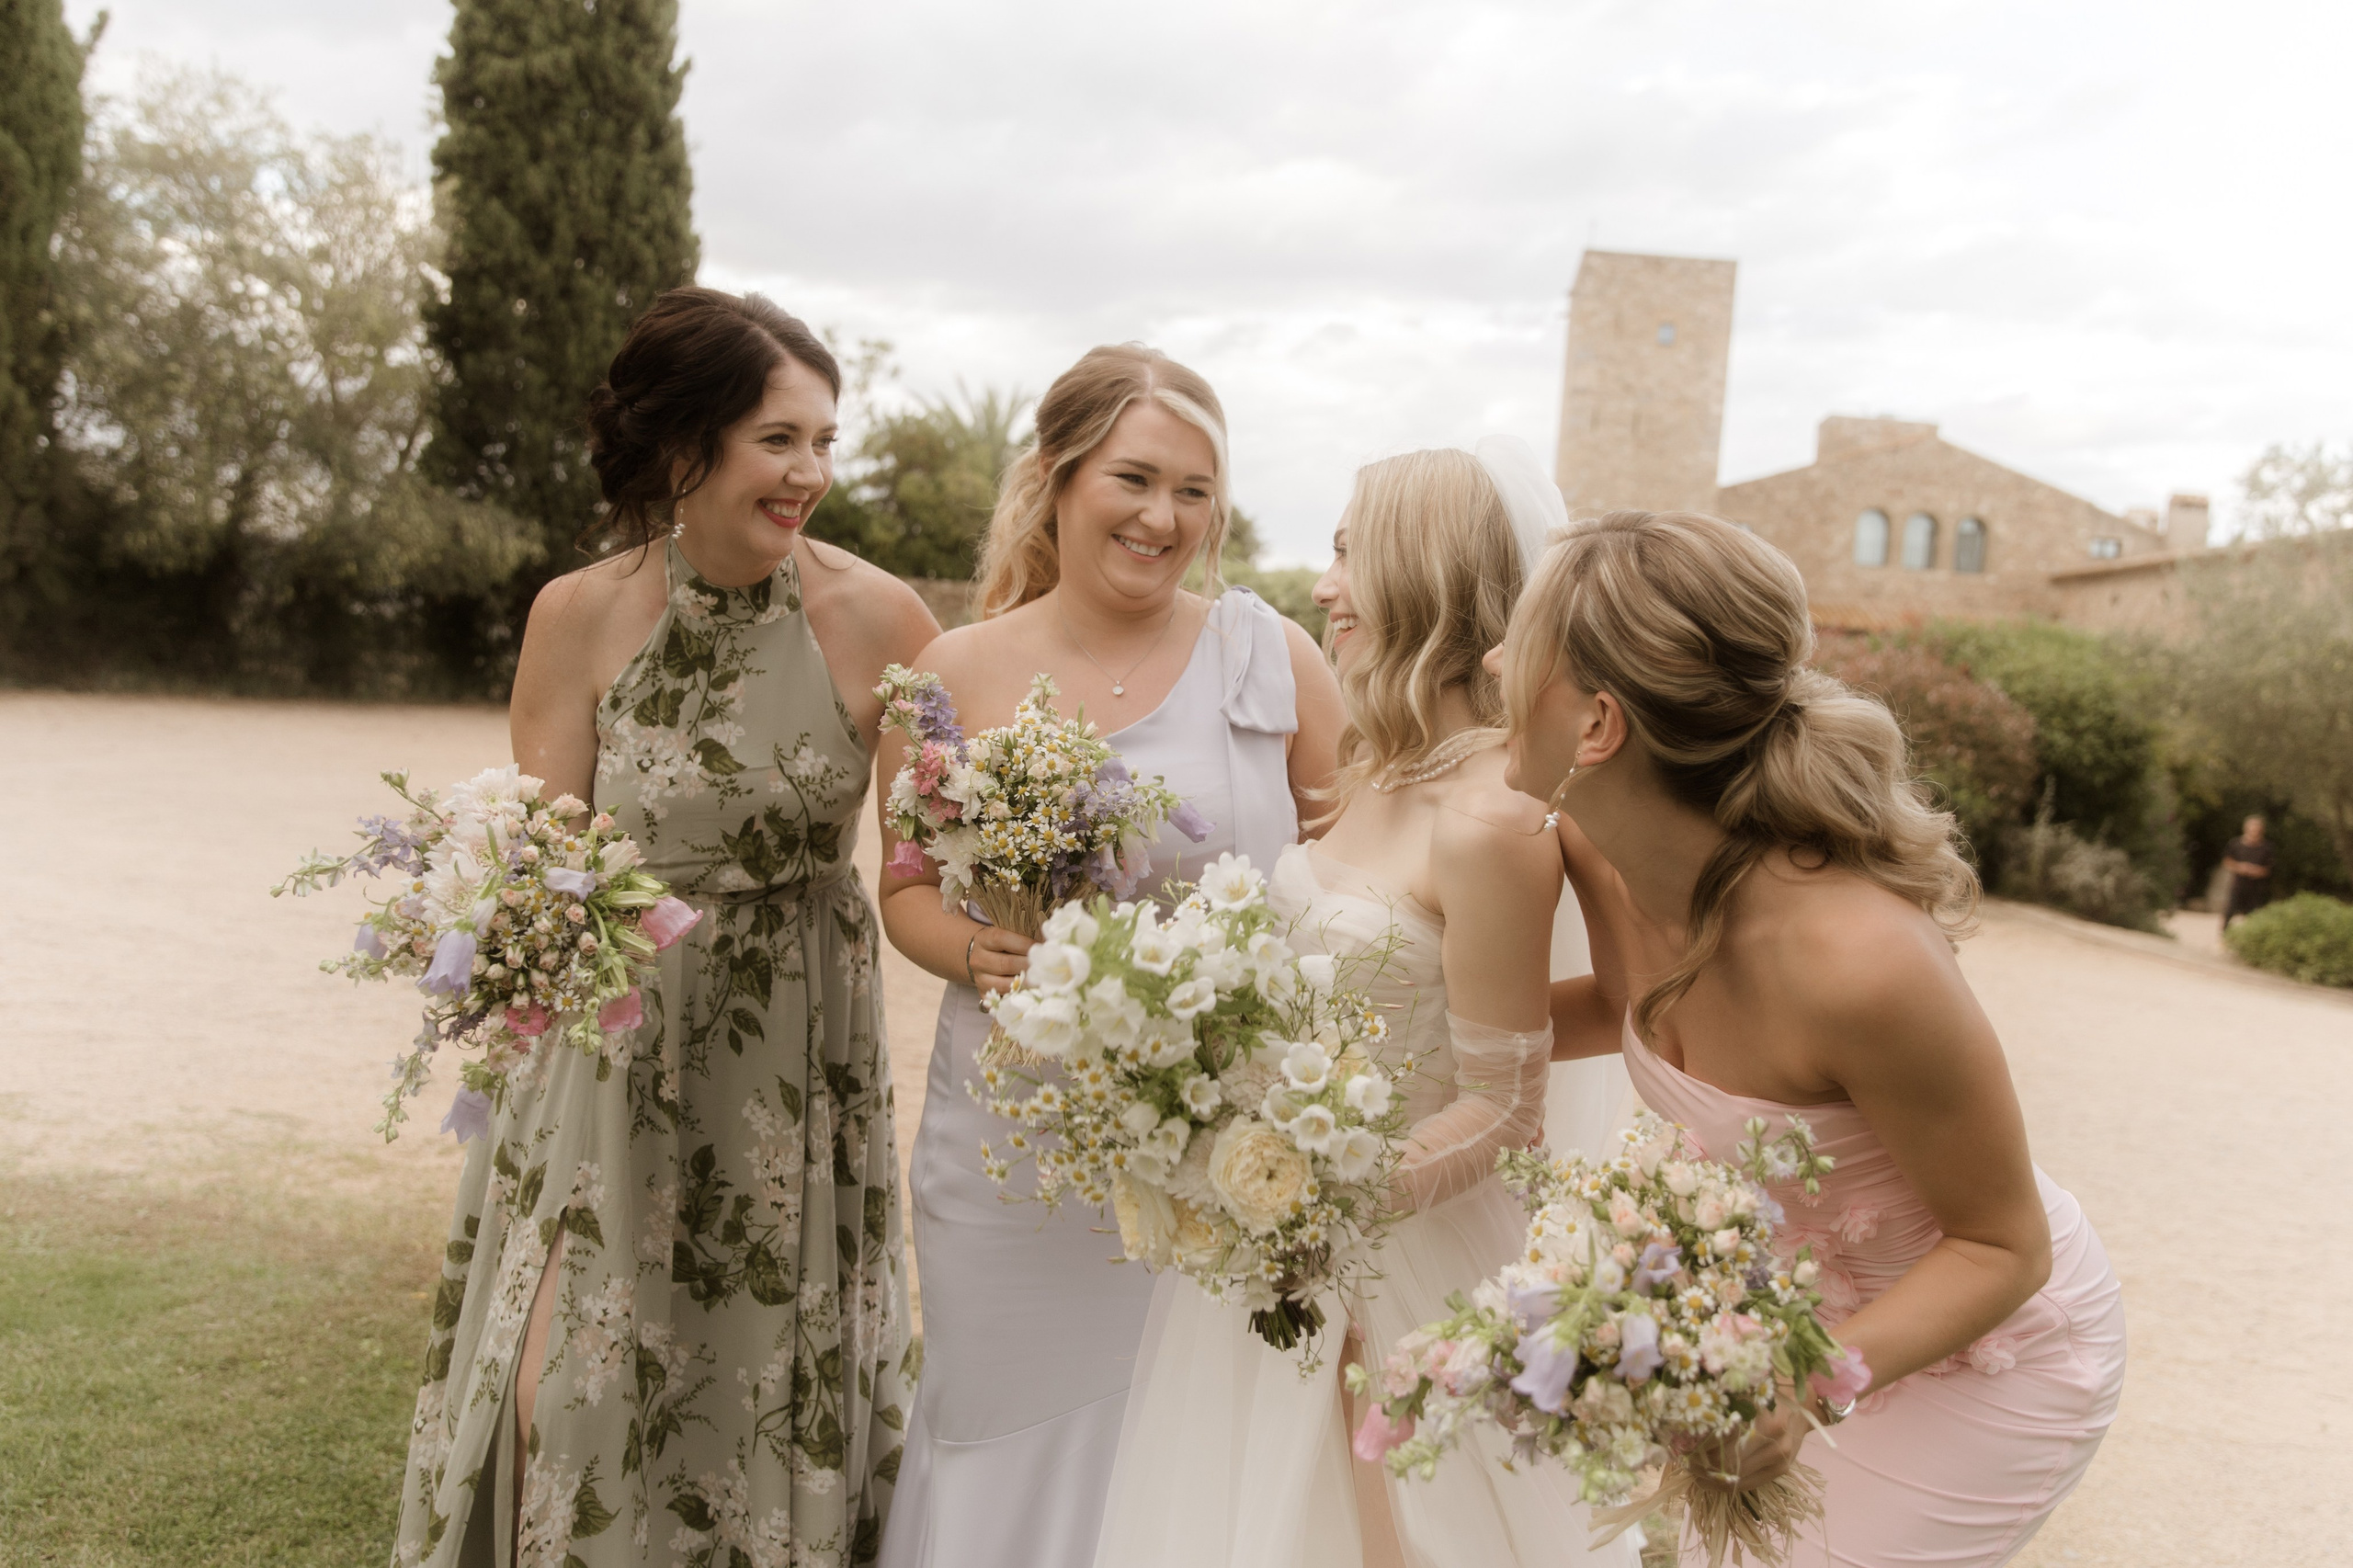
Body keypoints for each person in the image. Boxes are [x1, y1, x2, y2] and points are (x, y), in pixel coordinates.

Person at [392, 287, 942, 1566]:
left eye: (823, 441)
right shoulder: (576, 615)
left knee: (759, 1371)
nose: (809, 472)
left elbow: (937, 862)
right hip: (609, 1044)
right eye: (777, 439)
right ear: (684, 445)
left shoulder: (884, 618)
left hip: (796, 1056)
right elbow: (545, 860)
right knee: (567, 1376)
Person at [1497, 510, 2127, 1567]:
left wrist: (1807, 1375)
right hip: (1788, 1325)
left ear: (1599, 726)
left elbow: (2002, 1244)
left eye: (1518, 648)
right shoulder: (1594, 845)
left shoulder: (1862, 962)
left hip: (1989, 1354)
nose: (1488, 661)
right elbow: (1627, 1004)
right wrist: (1425, 1055)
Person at [1093, 438, 1635, 1568]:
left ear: (1422, 576)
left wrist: (1313, 1212)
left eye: (1346, 552)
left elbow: (1503, 1100)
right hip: (1277, 1239)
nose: (1323, 583)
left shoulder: (1495, 817)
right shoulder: (1385, 764)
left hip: (1386, 1263)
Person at [874, 345, 1344, 1568]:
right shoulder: (954, 674)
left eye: (1195, 490)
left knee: (1194, 1438)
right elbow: (905, 889)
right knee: (1008, 1421)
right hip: (1012, 1148)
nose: (1162, 516)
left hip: (1215, 1146)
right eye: (1134, 479)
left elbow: (1358, 865)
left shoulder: (1271, 655)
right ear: (1057, 476)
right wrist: (975, 947)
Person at [2221, 813, 2276, 928]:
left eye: (2257, 829)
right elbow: (2227, 861)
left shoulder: (2267, 848)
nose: (2254, 831)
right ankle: (2223, 937)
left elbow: (2269, 869)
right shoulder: (2235, 844)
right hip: (2238, 884)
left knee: (2253, 915)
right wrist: (2240, 867)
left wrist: (2255, 871)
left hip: (2256, 888)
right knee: (2229, 911)